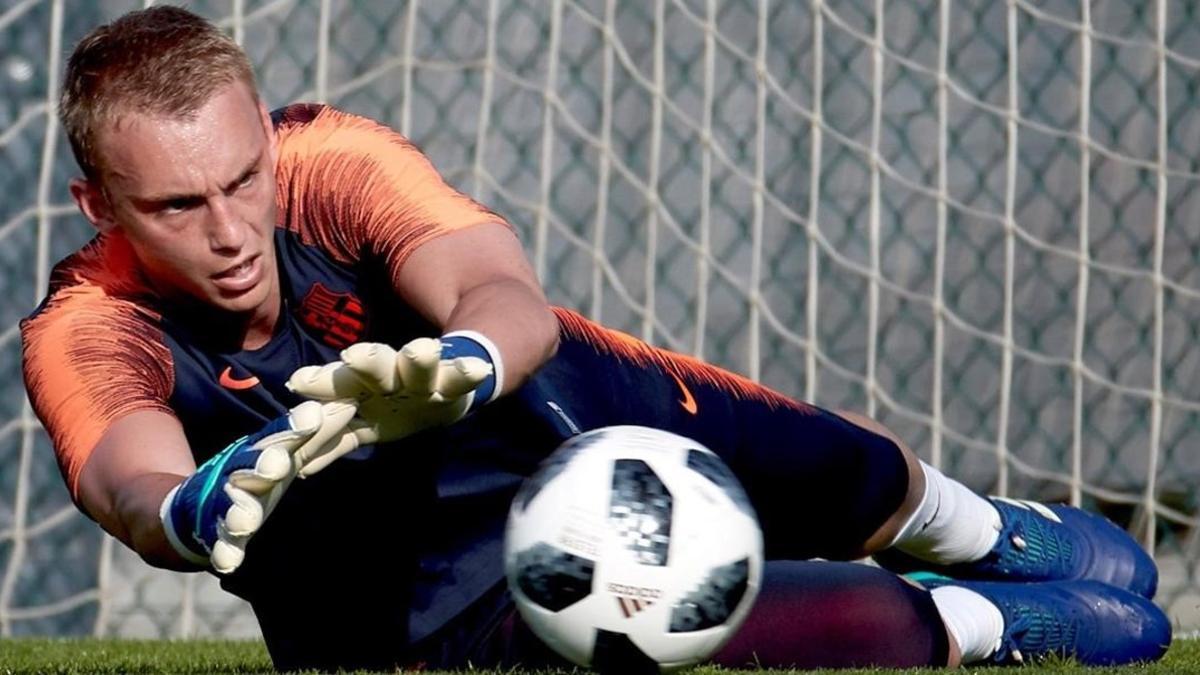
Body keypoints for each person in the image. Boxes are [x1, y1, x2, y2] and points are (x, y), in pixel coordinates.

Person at [22, 6, 1169, 672]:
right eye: (179, 207)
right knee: (700, 632)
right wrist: (192, 507)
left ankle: (971, 529)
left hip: (542, 418)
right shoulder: (87, 324)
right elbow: (132, 476)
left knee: (591, 376)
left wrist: (459, 365)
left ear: (267, 147)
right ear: (100, 208)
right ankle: (982, 624)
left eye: (241, 181)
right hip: (406, 605)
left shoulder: (329, 164)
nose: (229, 230)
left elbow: (498, 287)